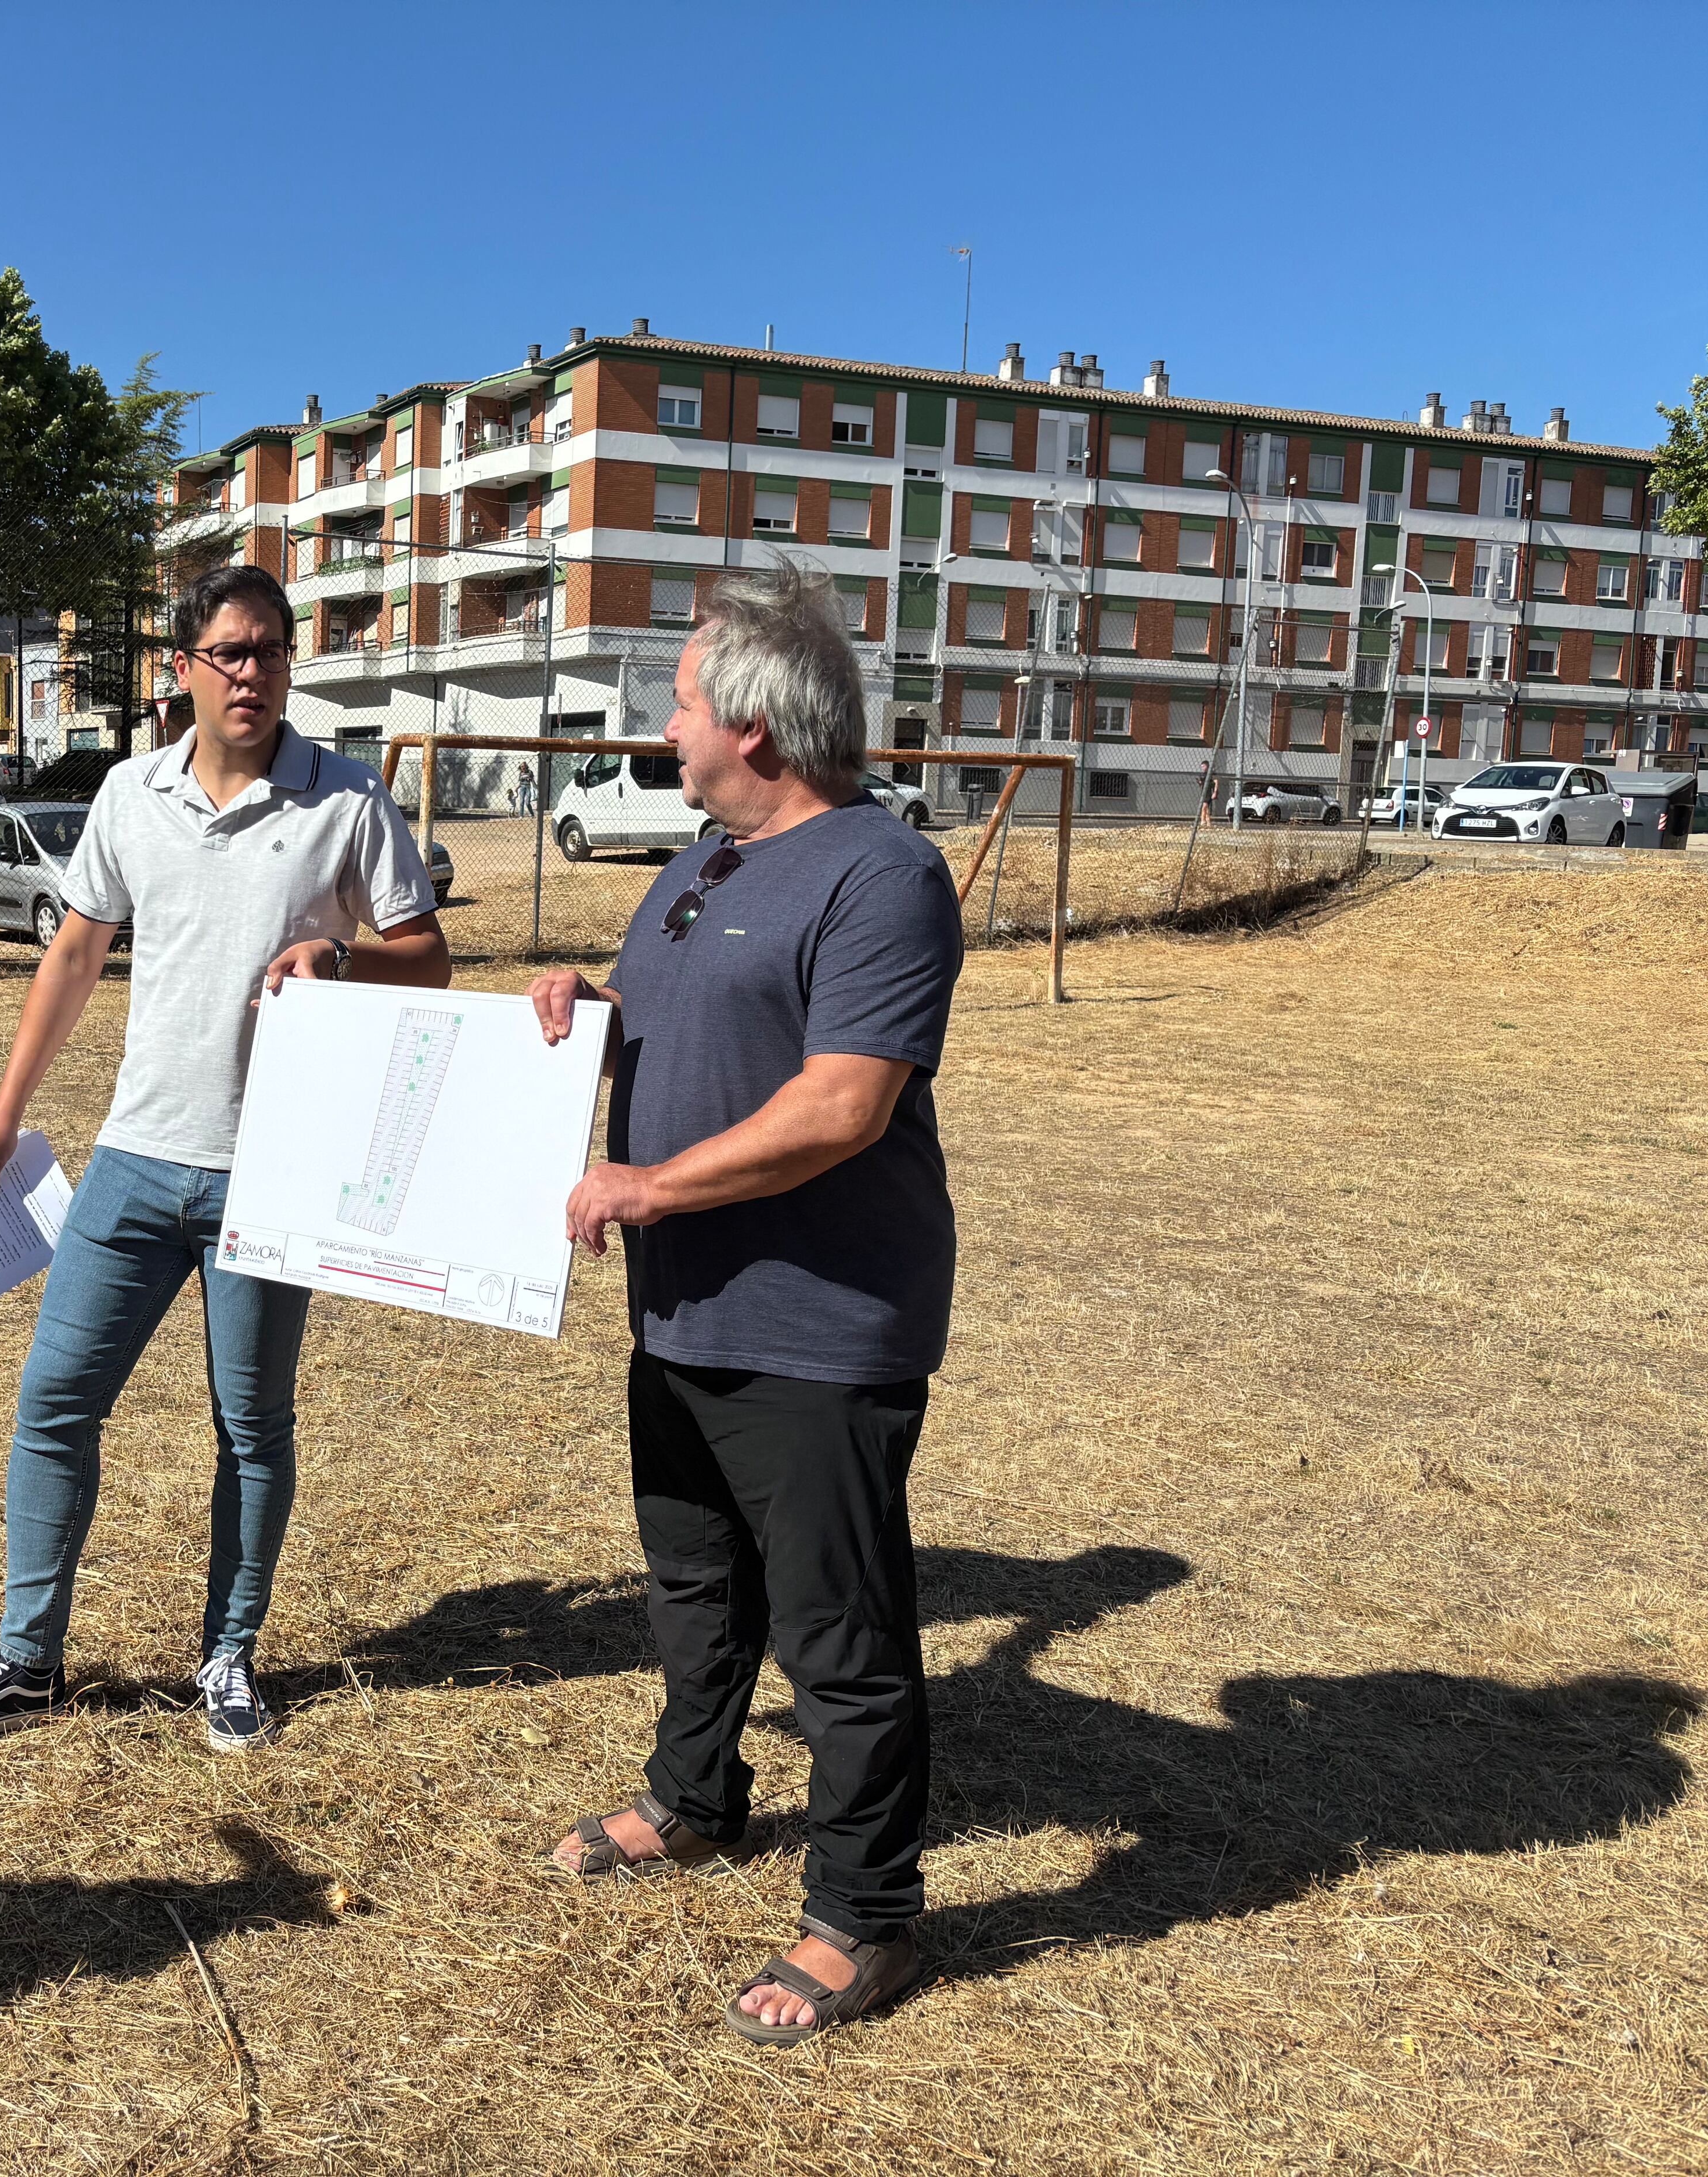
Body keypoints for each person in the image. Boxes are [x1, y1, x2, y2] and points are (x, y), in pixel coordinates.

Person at [0, 562, 449, 1756]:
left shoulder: (347, 801)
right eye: (229, 652)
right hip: (136, 1163)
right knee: (54, 1402)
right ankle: (29, 1660)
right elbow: (73, 959)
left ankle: (228, 1657)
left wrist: (342, 960)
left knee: (251, 1425)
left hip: (274, 1177)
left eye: (270, 651)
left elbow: (430, 956)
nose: (251, 673)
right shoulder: (128, 794)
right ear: (184, 670)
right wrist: (5, 1112)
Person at [526, 566, 964, 2045]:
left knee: (840, 1635)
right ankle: (694, 1798)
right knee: (696, 1586)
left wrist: (645, 1190)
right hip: (684, 1309)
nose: (669, 720)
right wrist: (577, 1017)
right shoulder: (700, 863)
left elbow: (843, 1105)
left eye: (685, 697)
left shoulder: (879, 873)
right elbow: (677, 1032)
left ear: (759, 731)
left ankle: (864, 1916)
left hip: (817, 1321)